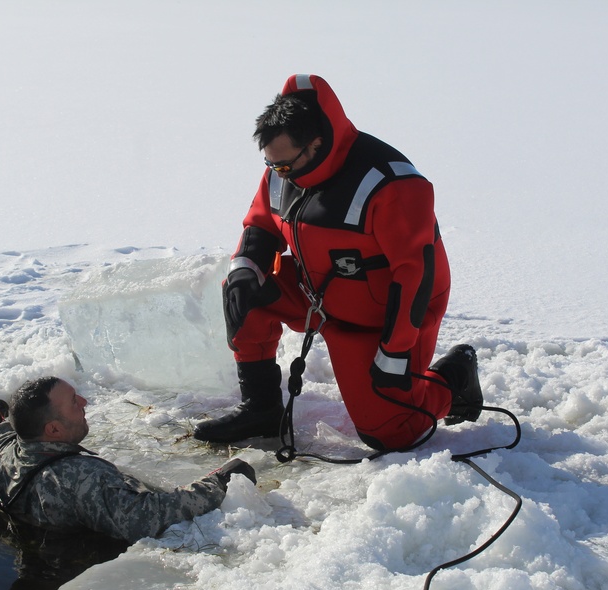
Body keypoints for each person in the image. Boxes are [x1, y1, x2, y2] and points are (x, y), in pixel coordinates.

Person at [194, 74, 483, 451]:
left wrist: (394, 353)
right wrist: (245, 267)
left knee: (389, 433)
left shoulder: (392, 184)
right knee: (243, 289)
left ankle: (453, 379)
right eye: (270, 163)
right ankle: (261, 408)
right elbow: (261, 224)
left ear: (315, 144)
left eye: (283, 166)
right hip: (317, 291)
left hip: (383, 314)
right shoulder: (284, 168)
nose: (277, 173)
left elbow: (415, 276)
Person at [0, 376, 256, 543]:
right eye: (74, 403)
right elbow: (144, 518)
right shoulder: (80, 477)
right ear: (53, 429)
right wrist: (220, 480)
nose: (85, 401)